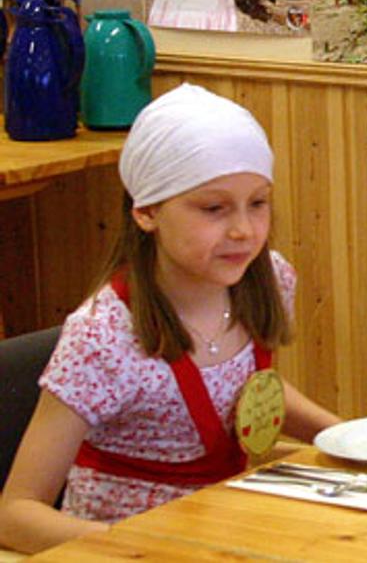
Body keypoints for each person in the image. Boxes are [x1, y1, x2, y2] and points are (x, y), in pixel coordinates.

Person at [0, 84, 341, 555]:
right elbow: (15, 514)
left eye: (258, 203)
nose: (244, 230)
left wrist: (345, 437)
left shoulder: (268, 281)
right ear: (147, 211)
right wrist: (159, 548)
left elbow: (242, 390)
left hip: (228, 529)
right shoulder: (102, 337)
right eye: (214, 209)